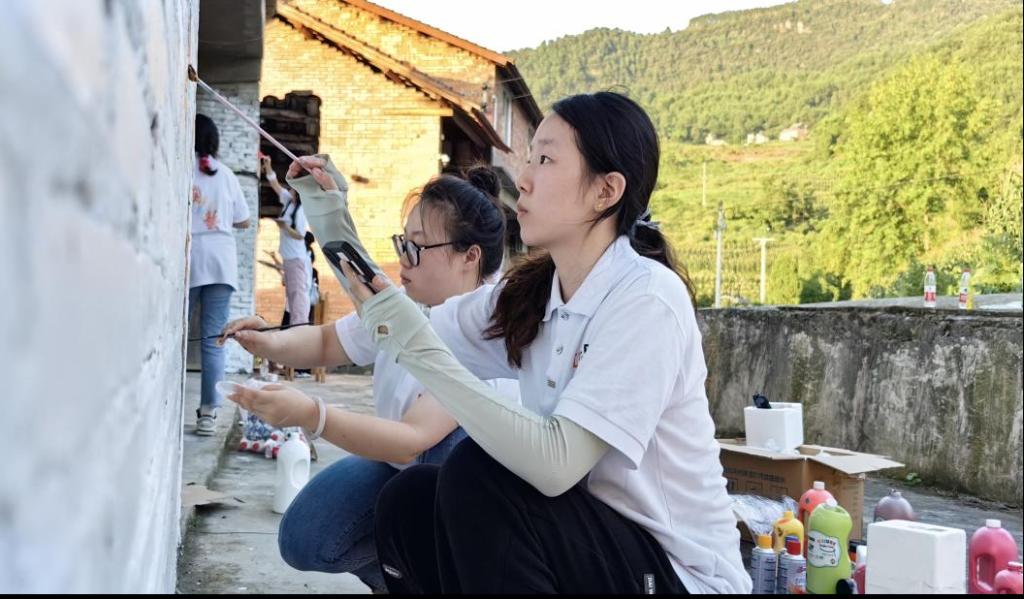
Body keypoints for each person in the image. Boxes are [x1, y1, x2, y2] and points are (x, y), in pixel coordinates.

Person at [270, 91, 751, 593]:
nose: (523, 178)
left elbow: (556, 464)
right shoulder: (532, 295)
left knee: (477, 472)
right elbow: (399, 323)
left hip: (675, 572)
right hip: (582, 544)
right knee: (408, 499)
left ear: (605, 191)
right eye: (529, 158)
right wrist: (330, 214)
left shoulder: (646, 299)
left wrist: (397, 373)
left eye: (546, 160)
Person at [219, 166, 520, 592]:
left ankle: (434, 577)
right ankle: (403, 575)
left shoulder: (486, 328)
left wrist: (310, 414)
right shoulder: (409, 304)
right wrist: (266, 340)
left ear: (470, 257)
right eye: (403, 242)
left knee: (442, 460)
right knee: (305, 536)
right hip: (397, 462)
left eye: (417, 247)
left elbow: (412, 438)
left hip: (449, 483)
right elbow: (327, 341)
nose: (403, 258)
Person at [188, 113, 250, 435]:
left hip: (190, 258)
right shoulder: (225, 174)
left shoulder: (183, 169)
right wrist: (221, 216)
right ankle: (208, 414)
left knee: (177, 335)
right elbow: (245, 220)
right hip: (221, 262)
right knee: (214, 341)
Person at [261, 155, 311, 331]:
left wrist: (284, 227)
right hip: (288, 257)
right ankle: (294, 328)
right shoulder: (289, 203)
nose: (288, 189)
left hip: (296, 257)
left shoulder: (301, 210)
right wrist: (268, 166)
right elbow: (275, 185)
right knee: (291, 295)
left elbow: (300, 235)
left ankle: (300, 328)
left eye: (292, 187)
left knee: (298, 295)